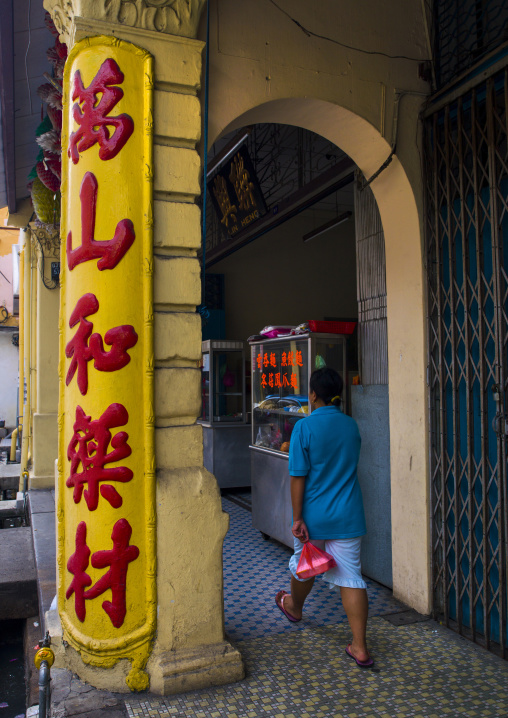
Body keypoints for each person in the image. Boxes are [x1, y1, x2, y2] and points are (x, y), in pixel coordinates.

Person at [275, 367, 373, 668]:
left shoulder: (304, 428)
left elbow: (298, 477)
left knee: (306, 567)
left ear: (313, 394)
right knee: (351, 578)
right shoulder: (350, 426)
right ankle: (359, 647)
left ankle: (294, 606)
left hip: (314, 516)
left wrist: (297, 518)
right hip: (348, 514)